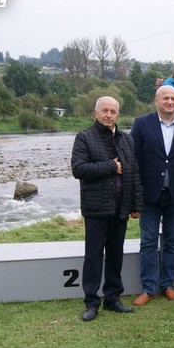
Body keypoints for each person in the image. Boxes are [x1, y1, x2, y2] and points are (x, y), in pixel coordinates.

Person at [71, 96, 143, 321]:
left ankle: (113, 298)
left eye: (113, 111)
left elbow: (134, 173)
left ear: (117, 115)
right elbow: (79, 169)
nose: (109, 115)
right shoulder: (84, 137)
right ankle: (92, 302)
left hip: (121, 208)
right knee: (93, 257)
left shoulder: (126, 139)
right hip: (96, 208)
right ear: (96, 112)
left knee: (115, 255)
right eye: (105, 111)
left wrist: (136, 204)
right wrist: (111, 166)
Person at [130, 85, 174, 306]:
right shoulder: (142, 124)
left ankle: (167, 285)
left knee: (172, 241)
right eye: (165, 98)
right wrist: (136, 194)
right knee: (148, 242)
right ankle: (148, 288)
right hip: (149, 195)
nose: (169, 102)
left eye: (173, 99)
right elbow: (134, 159)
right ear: (156, 101)